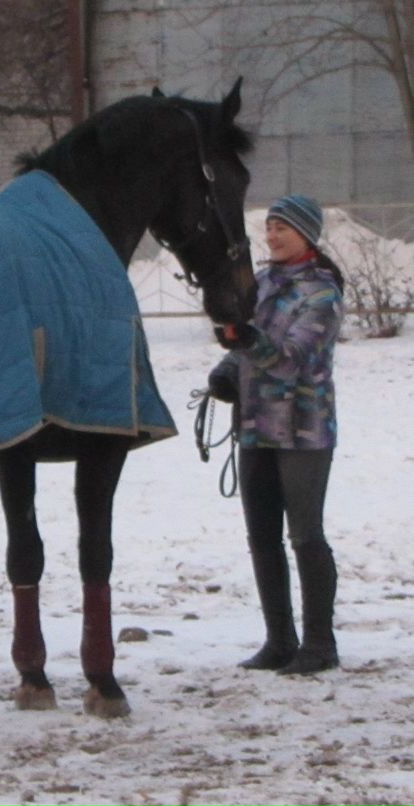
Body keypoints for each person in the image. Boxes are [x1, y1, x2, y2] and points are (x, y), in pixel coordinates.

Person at [208, 194, 344, 675]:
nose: (271, 236)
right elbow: (246, 345)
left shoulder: (322, 293)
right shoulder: (261, 283)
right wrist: (226, 369)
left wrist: (246, 341)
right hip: (255, 427)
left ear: (306, 233)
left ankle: (320, 644)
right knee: (262, 537)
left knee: (305, 534)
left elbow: (293, 359)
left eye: (281, 228)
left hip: (305, 432)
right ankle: (279, 641)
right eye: (268, 227)